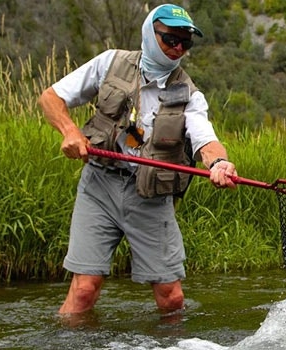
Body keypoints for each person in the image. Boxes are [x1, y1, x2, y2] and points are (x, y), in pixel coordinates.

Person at [38, 4, 237, 317]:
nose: (178, 49)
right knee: (84, 291)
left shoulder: (189, 95)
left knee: (171, 298)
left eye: (186, 43)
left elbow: (206, 140)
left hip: (150, 196)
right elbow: (51, 97)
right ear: (150, 32)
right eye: (171, 39)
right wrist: (70, 131)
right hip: (99, 187)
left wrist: (219, 164)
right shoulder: (110, 62)